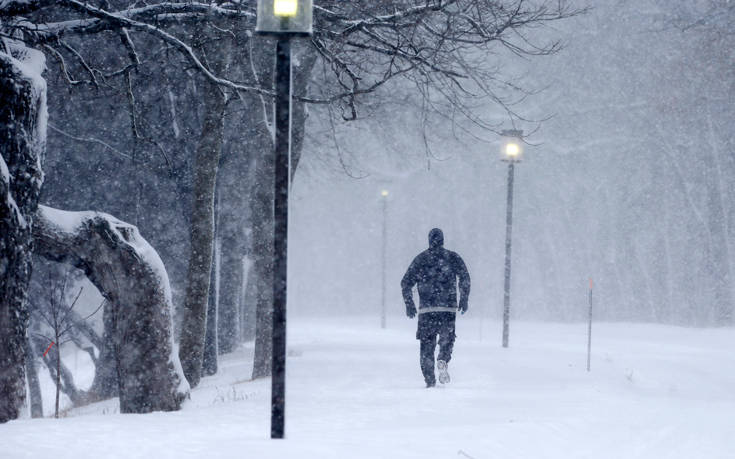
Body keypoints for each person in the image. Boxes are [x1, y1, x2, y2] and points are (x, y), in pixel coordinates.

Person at [401, 228, 471, 387]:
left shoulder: (421, 259)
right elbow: (465, 277)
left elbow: (405, 282)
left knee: (426, 346)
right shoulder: (452, 257)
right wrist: (464, 297)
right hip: (447, 309)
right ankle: (443, 358)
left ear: (429, 240)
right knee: (447, 338)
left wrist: (409, 304)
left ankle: (430, 380)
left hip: (427, 310)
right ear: (443, 240)